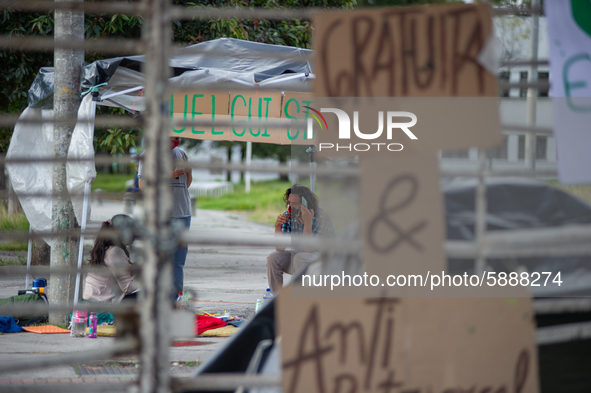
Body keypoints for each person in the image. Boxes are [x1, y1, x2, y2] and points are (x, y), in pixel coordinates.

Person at [138, 137, 192, 296]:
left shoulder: (181, 153)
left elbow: (186, 184)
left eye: (178, 137)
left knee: (178, 260)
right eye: (172, 137)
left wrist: (188, 170)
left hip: (182, 213)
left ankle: (176, 297)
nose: (176, 140)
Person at [266, 184, 334, 294]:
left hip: (324, 261)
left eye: (295, 204)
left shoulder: (320, 218)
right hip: (301, 258)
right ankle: (276, 298)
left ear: (305, 204)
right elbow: (280, 248)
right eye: (289, 203)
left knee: (299, 257)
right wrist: (277, 226)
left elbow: (308, 250)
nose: (290, 207)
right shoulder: (289, 216)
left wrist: (308, 222)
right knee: (273, 258)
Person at [83, 215, 140, 303]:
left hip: (92, 300)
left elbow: (122, 275)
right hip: (103, 306)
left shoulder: (106, 248)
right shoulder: (115, 252)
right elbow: (127, 288)